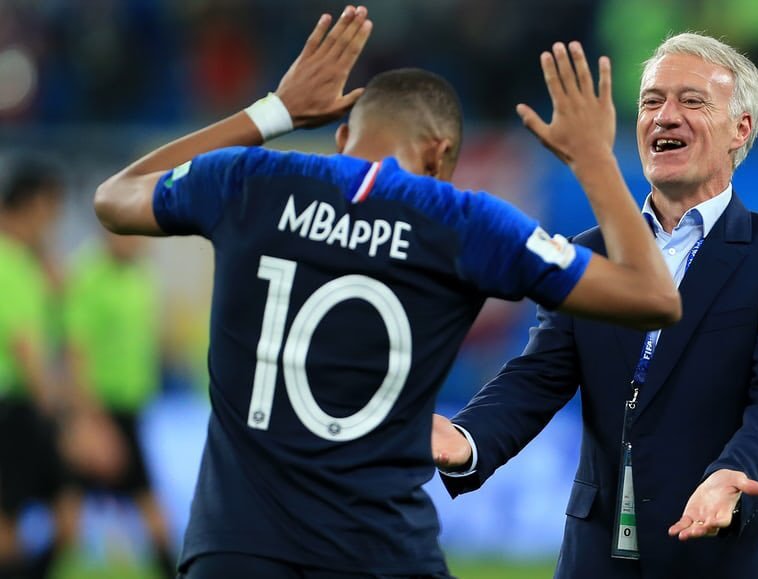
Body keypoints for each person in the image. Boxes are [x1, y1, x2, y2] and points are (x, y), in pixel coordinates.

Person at [93, 6, 681, 578]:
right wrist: (593, 159)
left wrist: (275, 112)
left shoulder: (249, 180)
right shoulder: (466, 223)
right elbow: (654, 298)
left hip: (233, 549)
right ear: (440, 156)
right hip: (377, 550)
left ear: (342, 135)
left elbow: (116, 197)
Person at [433, 32, 758, 578]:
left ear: (740, 129)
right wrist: (466, 438)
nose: (665, 116)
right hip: (599, 557)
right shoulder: (588, 254)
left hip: (730, 553)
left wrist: (733, 474)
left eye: (691, 101)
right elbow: (537, 376)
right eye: (652, 101)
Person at [62, 232, 177, 575]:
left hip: (133, 409)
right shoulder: (88, 276)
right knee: (147, 504)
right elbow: (76, 349)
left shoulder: (142, 276)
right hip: (102, 410)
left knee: (68, 505)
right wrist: (89, 419)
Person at [0, 157, 81, 579]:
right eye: (51, 209)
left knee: (68, 517)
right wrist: (66, 420)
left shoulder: (29, 265)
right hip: (12, 409)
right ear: (32, 205)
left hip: (27, 409)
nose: (53, 222)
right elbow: (26, 351)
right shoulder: (7, 263)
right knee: (6, 531)